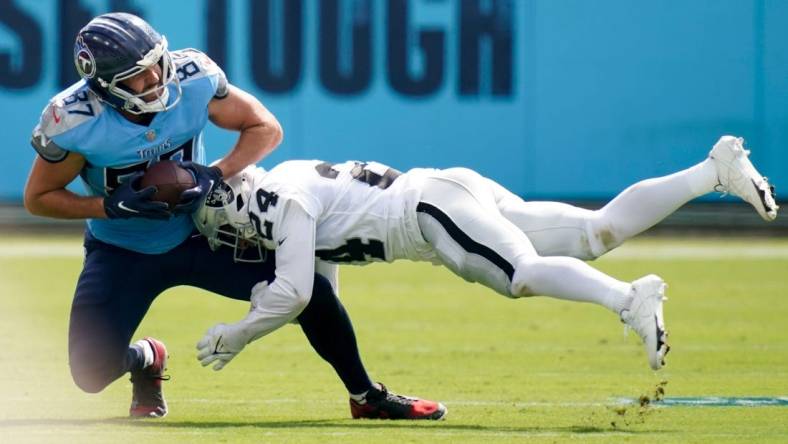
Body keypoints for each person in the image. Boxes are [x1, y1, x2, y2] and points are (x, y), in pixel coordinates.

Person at [23, 12, 445, 420]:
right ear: (104, 87)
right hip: (123, 249)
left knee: (310, 292)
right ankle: (147, 357)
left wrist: (213, 174)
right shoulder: (75, 121)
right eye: (138, 75)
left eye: (156, 64)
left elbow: (265, 126)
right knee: (90, 374)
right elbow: (38, 198)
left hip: (205, 229)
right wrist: (109, 205)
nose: (155, 79)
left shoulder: (192, 78)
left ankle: (366, 396)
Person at [192, 136, 778, 375]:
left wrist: (238, 333)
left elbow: (295, 291)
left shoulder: (275, 200)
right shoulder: (288, 183)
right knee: (593, 233)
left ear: (231, 200)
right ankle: (712, 170)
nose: (231, 240)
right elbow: (319, 288)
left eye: (221, 228)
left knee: (521, 276)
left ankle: (629, 299)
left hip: (427, 215)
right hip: (447, 189)